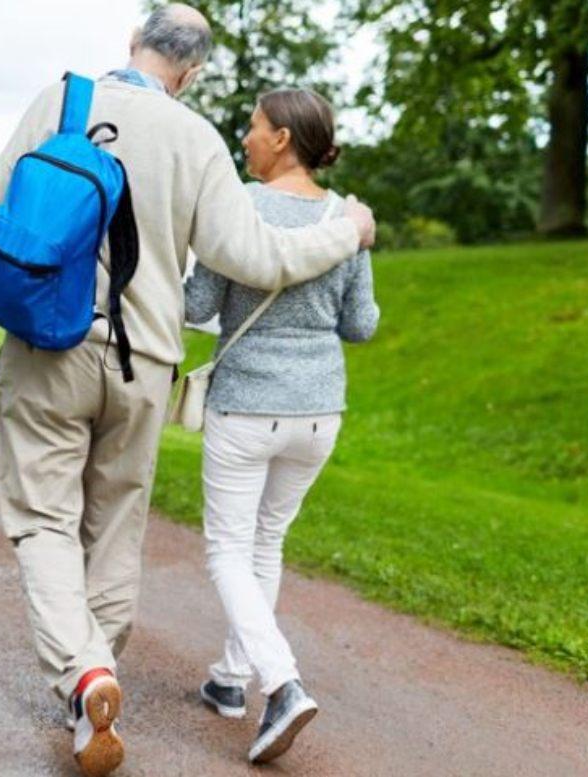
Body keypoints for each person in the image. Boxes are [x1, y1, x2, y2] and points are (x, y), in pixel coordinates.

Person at [0, 6, 376, 775]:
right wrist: (347, 231)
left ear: (133, 45)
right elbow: (258, 256)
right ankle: (96, 684)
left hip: (45, 351)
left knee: (45, 522)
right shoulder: (196, 139)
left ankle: (83, 674)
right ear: (191, 75)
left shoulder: (60, 98)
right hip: (143, 363)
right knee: (117, 521)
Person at [186, 88, 380, 765]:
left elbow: (199, 302)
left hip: (246, 404)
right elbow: (361, 324)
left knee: (227, 548)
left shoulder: (237, 205)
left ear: (283, 139)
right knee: (265, 542)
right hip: (320, 411)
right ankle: (230, 681)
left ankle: (282, 682)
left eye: (255, 126)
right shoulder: (346, 218)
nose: (245, 135)